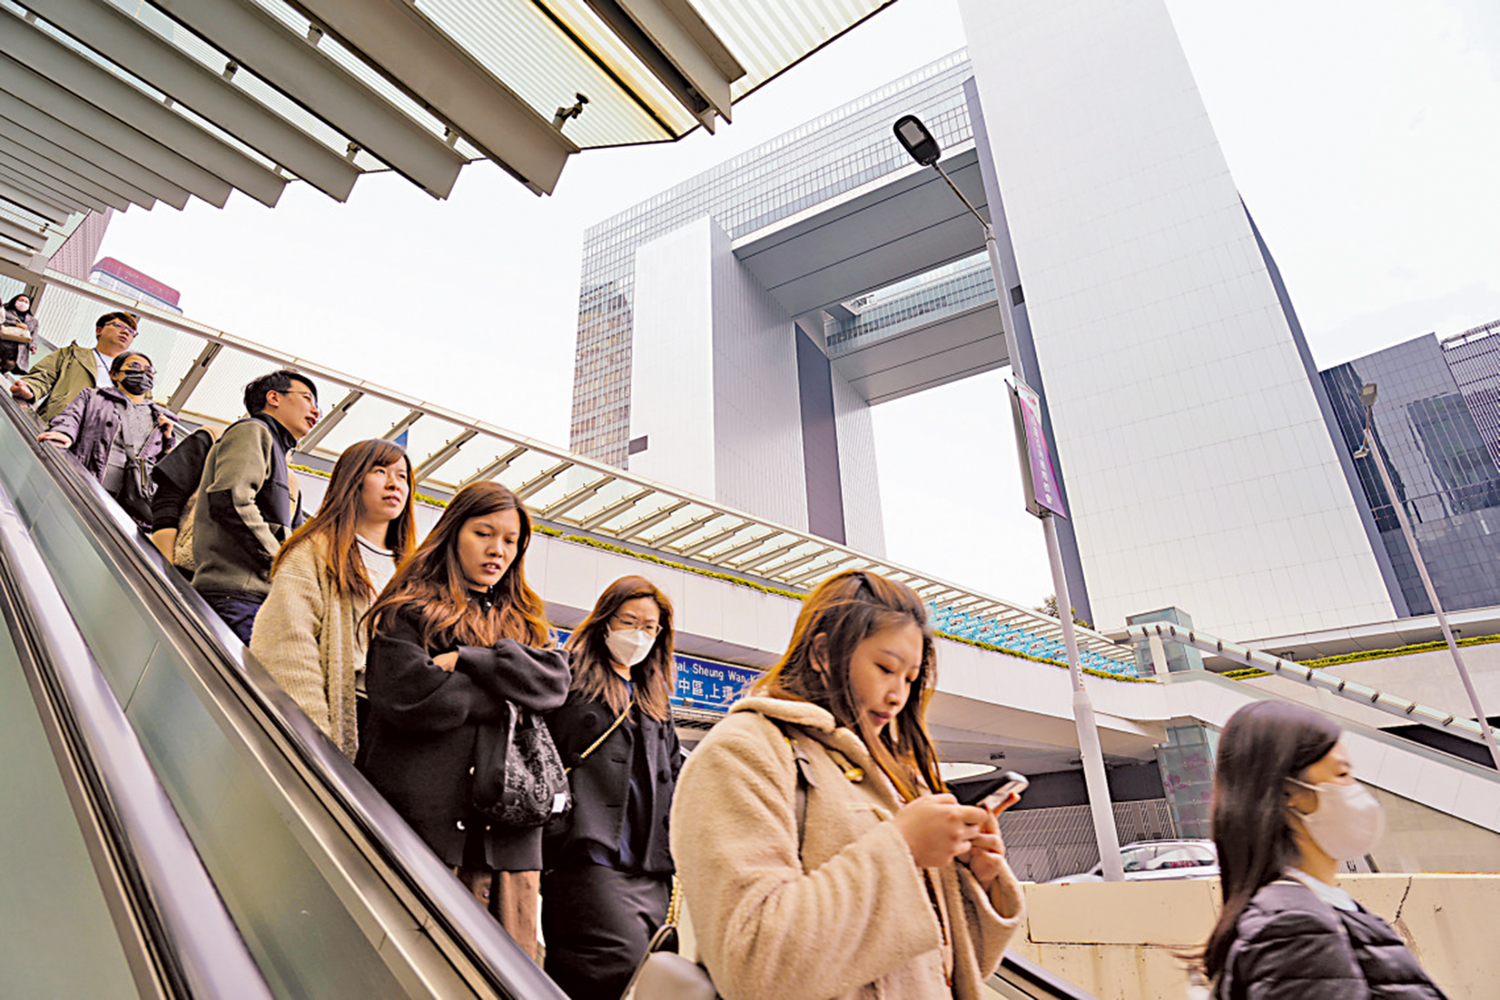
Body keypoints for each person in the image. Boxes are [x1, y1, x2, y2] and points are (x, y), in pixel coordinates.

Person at [670, 569, 1025, 1000]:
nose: (898, 695)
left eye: (910, 679)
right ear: (822, 652)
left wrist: (976, 880)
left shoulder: (893, 775)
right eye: (885, 668)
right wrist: (904, 848)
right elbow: (752, 966)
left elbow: (939, 970)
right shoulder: (741, 753)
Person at [358, 481, 570, 960]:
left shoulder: (527, 620)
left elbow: (555, 684)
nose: (498, 550)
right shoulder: (408, 609)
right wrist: (506, 695)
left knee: (506, 973)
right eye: (484, 533)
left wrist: (468, 660)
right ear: (454, 532)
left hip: (510, 844)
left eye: (511, 541)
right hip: (426, 834)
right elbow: (410, 696)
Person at [1199, 701, 1447, 999]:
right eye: (1341, 775)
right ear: (1288, 793)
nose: (1355, 789)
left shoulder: (1316, 909)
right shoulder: (1292, 925)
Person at [542, 575, 683, 1000]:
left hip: (649, 868)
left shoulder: (654, 698)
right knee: (613, 967)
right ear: (605, 621)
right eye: (630, 621)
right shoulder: (570, 677)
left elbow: (675, 774)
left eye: (650, 627)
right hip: (588, 855)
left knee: (647, 975)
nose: (639, 635)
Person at [250, 439, 417, 760]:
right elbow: (287, 644)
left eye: (402, 476)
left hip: (399, 730)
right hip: (347, 713)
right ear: (352, 479)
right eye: (380, 471)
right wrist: (315, 735)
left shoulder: (413, 569)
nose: (394, 483)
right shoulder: (314, 552)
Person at [191, 370, 320, 644]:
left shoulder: (279, 456)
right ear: (273, 397)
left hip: (255, 597)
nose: (316, 410)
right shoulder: (252, 430)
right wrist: (279, 559)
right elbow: (231, 499)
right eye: (308, 398)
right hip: (236, 593)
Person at [38, 351, 175, 528]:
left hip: (127, 504)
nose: (143, 373)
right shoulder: (93, 397)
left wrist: (168, 439)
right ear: (114, 374)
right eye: (134, 366)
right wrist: (63, 434)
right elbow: (71, 418)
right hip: (84, 485)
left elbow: (164, 468)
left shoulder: (160, 418)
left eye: (149, 370)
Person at [11, 310, 138, 422]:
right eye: (119, 326)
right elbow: (43, 376)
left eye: (132, 331)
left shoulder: (137, 376)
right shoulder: (70, 354)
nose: (126, 332)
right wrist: (30, 388)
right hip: (56, 427)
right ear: (99, 330)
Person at [149, 424, 218, 578]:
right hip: (181, 569)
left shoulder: (283, 469)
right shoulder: (212, 439)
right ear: (273, 398)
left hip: (243, 590)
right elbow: (167, 501)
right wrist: (166, 568)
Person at [1, 292, 39, 373]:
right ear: (15, 301)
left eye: (26, 302)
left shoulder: (33, 321)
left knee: (10, 364)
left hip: (18, 347)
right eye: (21, 300)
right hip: (3, 341)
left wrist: (33, 346)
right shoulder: (4, 311)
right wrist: (16, 324)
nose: (23, 303)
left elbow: (34, 334)